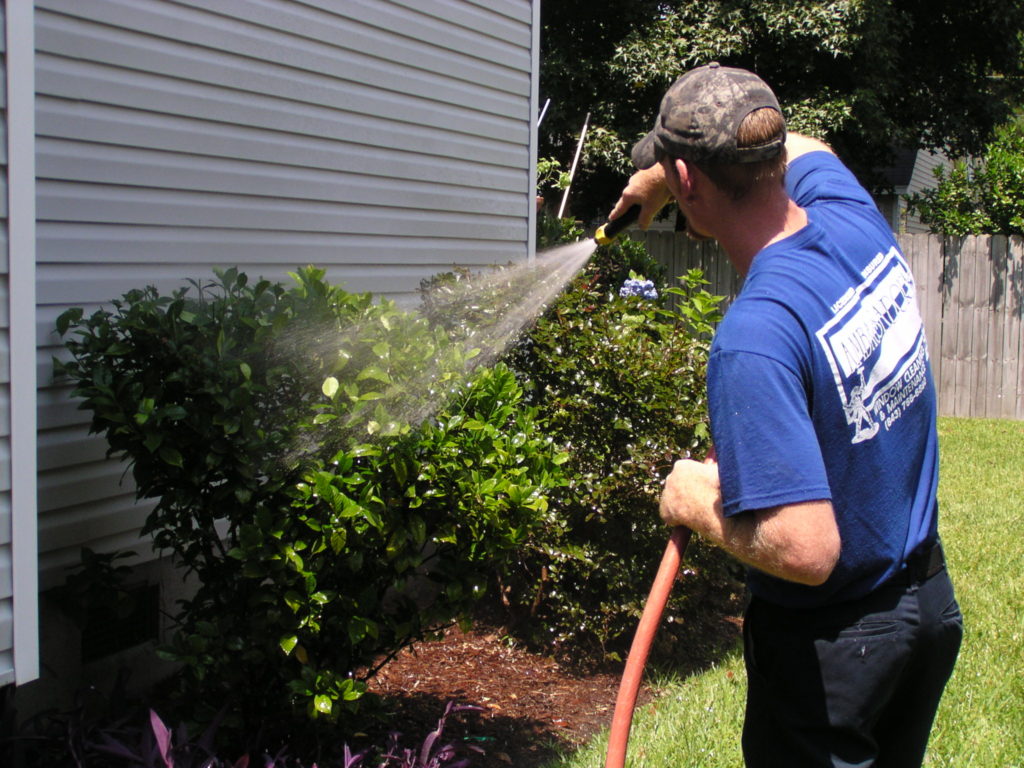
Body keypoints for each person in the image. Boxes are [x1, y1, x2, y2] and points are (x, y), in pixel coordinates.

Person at [609, 63, 963, 767]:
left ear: (687, 182)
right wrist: (664, 170)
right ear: (768, 156)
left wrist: (698, 503)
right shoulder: (851, 217)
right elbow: (814, 150)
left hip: (836, 656)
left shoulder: (755, 338)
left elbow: (806, 549)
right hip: (926, 610)